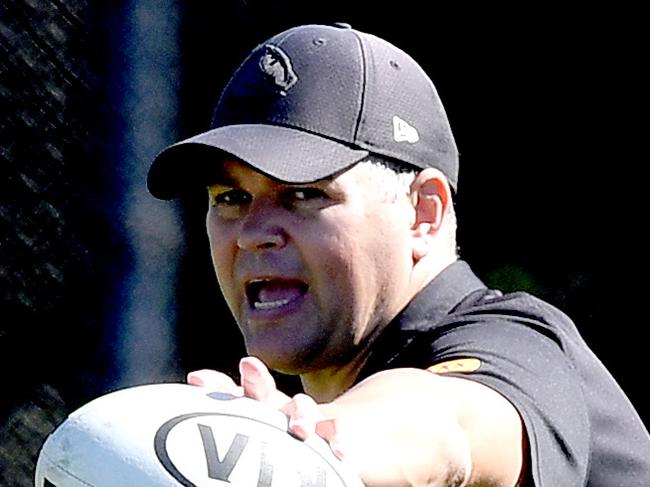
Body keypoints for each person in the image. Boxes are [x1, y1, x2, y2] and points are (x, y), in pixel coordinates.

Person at [147, 23, 650, 486]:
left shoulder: (516, 343)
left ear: (423, 212)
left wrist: (313, 447)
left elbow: (443, 426)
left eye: (304, 193)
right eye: (230, 198)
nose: (254, 233)